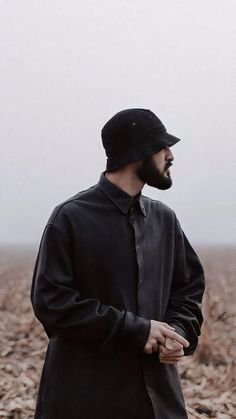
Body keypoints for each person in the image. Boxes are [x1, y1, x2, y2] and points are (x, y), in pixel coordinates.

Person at [30, 108, 205, 419]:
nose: (170, 155)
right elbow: (52, 303)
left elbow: (188, 289)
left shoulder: (164, 219)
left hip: (158, 403)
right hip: (84, 400)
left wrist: (178, 331)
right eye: (162, 147)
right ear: (137, 153)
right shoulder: (69, 218)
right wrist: (135, 330)